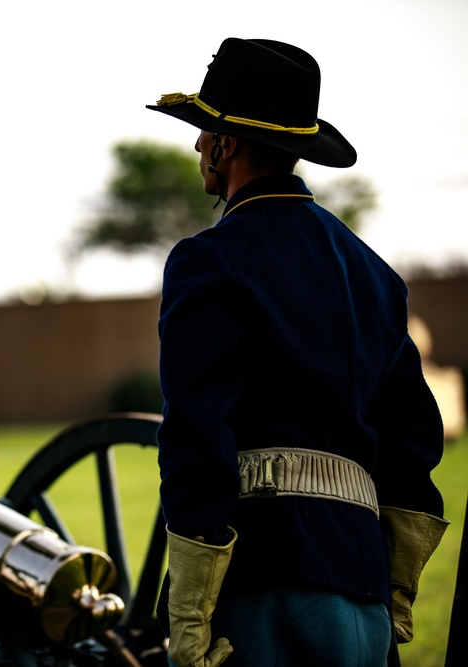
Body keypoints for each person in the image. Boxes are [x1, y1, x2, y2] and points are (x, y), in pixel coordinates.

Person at [146, 38, 449, 666]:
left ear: (227, 145)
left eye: (205, 132)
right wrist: (390, 587)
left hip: (263, 592)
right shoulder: (376, 275)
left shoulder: (208, 261)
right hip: (363, 595)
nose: (199, 145)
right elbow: (416, 438)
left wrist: (189, 613)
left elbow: (197, 439)